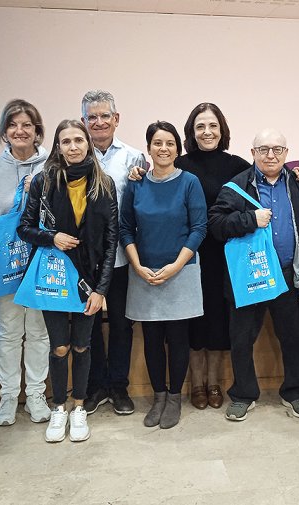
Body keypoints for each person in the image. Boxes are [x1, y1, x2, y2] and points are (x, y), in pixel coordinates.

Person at [18, 119, 118, 442]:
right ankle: (58, 407)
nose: (73, 147)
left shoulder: (104, 183)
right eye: (66, 142)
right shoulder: (44, 182)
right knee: (59, 347)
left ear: (88, 143)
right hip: (55, 278)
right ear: (57, 147)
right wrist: (52, 237)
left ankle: (79, 408)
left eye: (78, 140)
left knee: (82, 345)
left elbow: (111, 240)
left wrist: (102, 289)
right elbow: (24, 228)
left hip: (90, 279)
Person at [208, 128, 299, 422]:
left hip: (286, 275)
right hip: (249, 276)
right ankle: (243, 394)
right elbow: (216, 225)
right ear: (253, 152)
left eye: (278, 149)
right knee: (242, 338)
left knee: (294, 337)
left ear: (286, 153)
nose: (271, 155)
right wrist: (249, 220)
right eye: (264, 149)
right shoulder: (236, 186)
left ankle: (295, 392)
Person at [119, 121, 207, 429]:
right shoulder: (136, 183)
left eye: (170, 143)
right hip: (144, 272)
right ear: (149, 148)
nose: (164, 148)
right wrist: (137, 264)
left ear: (178, 149)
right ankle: (158, 397)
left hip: (180, 270)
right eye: (157, 143)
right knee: (152, 339)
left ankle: (174, 398)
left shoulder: (189, 182)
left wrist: (176, 265)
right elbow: (126, 228)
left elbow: (199, 229)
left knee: (178, 338)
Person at [0, 99, 52, 426]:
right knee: (8, 330)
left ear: (37, 131)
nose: (20, 131)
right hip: (7, 261)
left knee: (38, 329)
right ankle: (9, 396)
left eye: (27, 125)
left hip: (42, 258)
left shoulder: (52, 164)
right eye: (13, 125)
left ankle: (35, 393)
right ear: (5, 131)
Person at [172, 103, 251, 410]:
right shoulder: (179, 164)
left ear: (222, 129)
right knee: (193, 319)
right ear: (192, 131)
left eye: (213, 125)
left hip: (227, 255)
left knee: (220, 319)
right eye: (201, 126)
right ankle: (196, 383)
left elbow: (268, 178)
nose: (207, 132)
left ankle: (215, 382)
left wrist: (296, 173)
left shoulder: (237, 165)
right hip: (188, 254)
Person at [79, 90, 145, 416]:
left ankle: (119, 386)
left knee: (121, 323)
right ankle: (95, 386)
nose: (100, 122)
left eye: (106, 116)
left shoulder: (134, 158)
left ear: (116, 119)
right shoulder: (74, 155)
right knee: (88, 323)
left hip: (121, 257)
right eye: (93, 117)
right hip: (83, 259)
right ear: (83, 122)